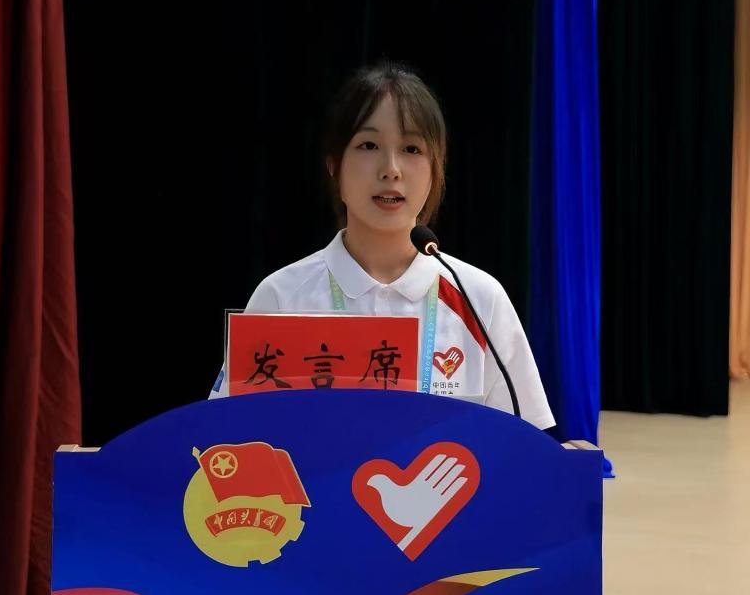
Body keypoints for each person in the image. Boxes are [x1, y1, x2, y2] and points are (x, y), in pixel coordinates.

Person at [210, 62, 554, 430]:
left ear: (436, 168)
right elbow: (227, 436)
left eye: (411, 148)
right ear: (334, 164)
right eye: (369, 145)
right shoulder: (282, 297)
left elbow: (527, 442)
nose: (391, 169)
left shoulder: (479, 298)